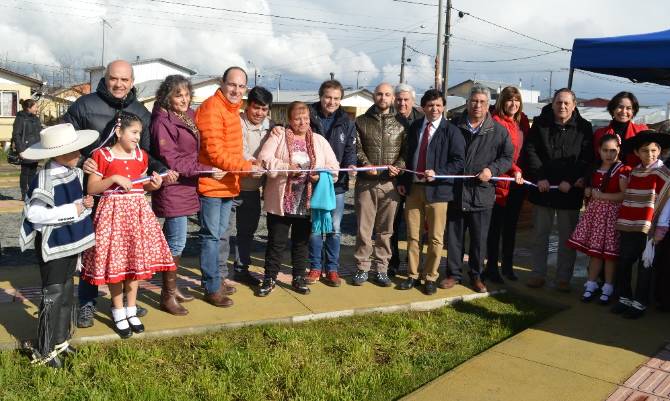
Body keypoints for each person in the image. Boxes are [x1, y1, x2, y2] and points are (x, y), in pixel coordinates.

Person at [63, 59, 176, 328]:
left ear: (132, 82)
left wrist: (161, 171)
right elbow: (63, 139)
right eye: (114, 78)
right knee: (93, 250)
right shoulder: (84, 105)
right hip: (90, 190)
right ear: (106, 78)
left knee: (123, 250)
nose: (119, 84)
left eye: (125, 80)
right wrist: (80, 161)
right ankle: (87, 304)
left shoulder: (140, 111)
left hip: (126, 198)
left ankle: (128, 304)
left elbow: (149, 154)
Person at [81, 112, 175, 338]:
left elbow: (141, 187)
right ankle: (118, 309)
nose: (137, 137)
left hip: (136, 214)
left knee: (133, 264)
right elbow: (92, 189)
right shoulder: (102, 156)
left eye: (139, 133)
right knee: (117, 265)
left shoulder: (141, 156)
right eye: (134, 132)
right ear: (119, 132)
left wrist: (154, 184)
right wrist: (112, 179)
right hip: (112, 215)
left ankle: (131, 309)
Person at [18, 123, 98, 368]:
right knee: (52, 295)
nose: (80, 155)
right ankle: (44, 347)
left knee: (65, 292)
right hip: (53, 245)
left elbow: (75, 196)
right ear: (59, 154)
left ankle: (60, 340)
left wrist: (83, 202)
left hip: (69, 243)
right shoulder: (45, 178)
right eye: (75, 152)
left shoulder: (72, 171)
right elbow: (35, 215)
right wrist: (73, 210)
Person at [150, 75, 226, 315]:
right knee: (176, 241)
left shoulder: (187, 115)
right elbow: (172, 159)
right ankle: (167, 295)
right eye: (177, 95)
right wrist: (206, 170)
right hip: (173, 187)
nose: (184, 99)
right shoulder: (162, 121)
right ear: (167, 97)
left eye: (186, 94)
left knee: (176, 241)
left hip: (186, 185)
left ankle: (172, 287)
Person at [256, 101, 339, 296]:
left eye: (305, 118)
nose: (302, 122)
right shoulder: (278, 137)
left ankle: (298, 278)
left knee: (301, 242)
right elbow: (264, 159)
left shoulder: (319, 141)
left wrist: (320, 176)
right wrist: (286, 167)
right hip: (282, 201)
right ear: (289, 120)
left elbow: (334, 167)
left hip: (307, 202)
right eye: (297, 118)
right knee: (276, 242)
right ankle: (269, 279)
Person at [196, 66, 261, 307]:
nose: (236, 90)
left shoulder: (232, 110)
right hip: (213, 185)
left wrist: (247, 163)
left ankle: (217, 279)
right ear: (222, 83)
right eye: (232, 84)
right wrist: (245, 167)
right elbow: (215, 152)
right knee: (211, 238)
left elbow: (232, 151)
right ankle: (211, 287)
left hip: (228, 183)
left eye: (241, 86)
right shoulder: (213, 108)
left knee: (220, 236)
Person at [441, 84, 513, 293]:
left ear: (488, 104)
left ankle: (476, 276)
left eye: (482, 102)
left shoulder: (498, 131)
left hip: (482, 192)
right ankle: (453, 274)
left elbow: (508, 157)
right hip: (456, 191)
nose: (477, 105)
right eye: (474, 101)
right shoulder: (453, 126)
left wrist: (492, 169)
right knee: (454, 237)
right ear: (467, 102)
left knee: (479, 240)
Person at [524, 88, 593, 291]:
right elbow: (531, 151)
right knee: (540, 236)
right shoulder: (540, 124)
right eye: (558, 102)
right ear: (552, 104)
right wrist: (540, 177)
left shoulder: (584, 127)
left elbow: (585, 158)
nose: (562, 106)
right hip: (543, 189)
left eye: (566, 103)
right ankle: (537, 274)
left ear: (574, 105)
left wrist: (570, 181)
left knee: (567, 238)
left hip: (569, 192)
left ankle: (563, 278)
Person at [397, 89, 465, 295]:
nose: (434, 109)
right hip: (414, 188)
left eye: (438, 105)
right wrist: (403, 180)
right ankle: (412, 274)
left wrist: (439, 173)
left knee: (435, 237)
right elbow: (406, 156)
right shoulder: (416, 126)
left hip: (439, 191)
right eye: (430, 105)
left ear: (443, 107)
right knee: (413, 235)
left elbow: (459, 161)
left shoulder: (451, 131)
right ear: (423, 107)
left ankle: (430, 277)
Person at [352, 82, 406, 287]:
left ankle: (382, 268)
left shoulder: (402, 123)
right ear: (374, 96)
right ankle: (362, 267)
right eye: (379, 94)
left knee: (386, 230)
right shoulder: (361, 121)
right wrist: (366, 164)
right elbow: (356, 148)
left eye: (387, 94)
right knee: (364, 229)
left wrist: (399, 167)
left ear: (393, 98)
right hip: (366, 183)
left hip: (390, 185)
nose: (383, 98)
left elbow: (407, 151)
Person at [218, 86, 273, 286]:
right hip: (230, 187)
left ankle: (241, 270)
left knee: (246, 233)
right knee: (223, 233)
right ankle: (220, 274)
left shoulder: (272, 128)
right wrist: (252, 163)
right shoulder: (236, 123)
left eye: (264, 109)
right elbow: (237, 150)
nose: (259, 113)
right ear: (247, 106)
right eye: (256, 107)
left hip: (252, 190)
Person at [304, 80, 357, 287]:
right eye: (328, 97)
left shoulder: (347, 121)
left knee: (334, 228)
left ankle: (332, 269)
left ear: (341, 99)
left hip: (337, 184)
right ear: (320, 96)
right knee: (316, 228)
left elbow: (350, 149)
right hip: (313, 182)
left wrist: (351, 165)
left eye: (336, 98)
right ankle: (315, 267)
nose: (331, 102)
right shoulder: (308, 116)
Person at [612, 130, 670, 319]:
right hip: (629, 224)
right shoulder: (636, 171)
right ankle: (625, 297)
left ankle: (640, 302)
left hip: (649, 228)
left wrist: (661, 226)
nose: (650, 154)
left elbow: (666, 201)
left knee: (645, 266)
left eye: (654, 150)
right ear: (637, 153)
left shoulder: (663, 173)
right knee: (625, 262)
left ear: (660, 151)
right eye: (645, 151)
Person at [567, 134, 629, 304]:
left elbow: (624, 195)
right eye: (605, 150)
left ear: (619, 150)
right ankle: (591, 284)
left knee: (609, 254)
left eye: (613, 150)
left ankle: (608, 286)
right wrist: (587, 190)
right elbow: (590, 187)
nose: (609, 154)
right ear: (599, 151)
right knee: (595, 253)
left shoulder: (622, 170)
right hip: (595, 216)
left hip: (611, 216)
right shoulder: (594, 169)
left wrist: (602, 195)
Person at [482, 86, 530, 283]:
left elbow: (526, 150)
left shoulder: (522, 122)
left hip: (517, 184)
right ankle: (491, 267)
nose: (513, 104)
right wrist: (515, 169)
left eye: (516, 100)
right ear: (502, 102)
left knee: (510, 228)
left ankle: (508, 267)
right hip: (499, 182)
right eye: (509, 100)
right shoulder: (495, 122)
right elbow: (498, 154)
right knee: (494, 229)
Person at [390, 84, 424, 276]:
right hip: (394, 178)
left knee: (416, 226)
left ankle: (414, 263)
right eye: (399, 99)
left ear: (412, 100)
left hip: (416, 179)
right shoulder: (390, 118)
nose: (402, 103)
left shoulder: (422, 119)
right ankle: (393, 261)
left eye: (406, 99)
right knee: (392, 224)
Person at [593, 92, 648, 166]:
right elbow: (596, 159)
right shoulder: (600, 133)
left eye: (628, 108)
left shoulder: (642, 131)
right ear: (613, 109)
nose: (624, 111)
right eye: (620, 107)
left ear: (633, 111)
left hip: (635, 175)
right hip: (608, 176)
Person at [11, 98, 42, 201]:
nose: (37, 108)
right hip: (25, 149)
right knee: (25, 172)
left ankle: (32, 192)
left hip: (36, 149)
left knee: (33, 172)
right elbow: (16, 134)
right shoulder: (21, 118)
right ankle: (24, 194)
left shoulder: (36, 118)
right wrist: (20, 150)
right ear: (29, 108)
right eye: (35, 106)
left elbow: (39, 132)